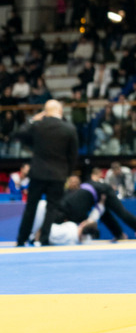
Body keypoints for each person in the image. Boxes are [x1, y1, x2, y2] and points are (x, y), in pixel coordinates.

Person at [14, 100, 78, 247]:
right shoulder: (69, 129)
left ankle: (21, 239)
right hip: (58, 175)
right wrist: (66, 173)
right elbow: (73, 156)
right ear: (60, 111)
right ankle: (44, 239)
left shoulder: (38, 125)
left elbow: (20, 134)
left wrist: (33, 119)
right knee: (52, 209)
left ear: (45, 111)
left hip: (38, 174)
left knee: (31, 207)